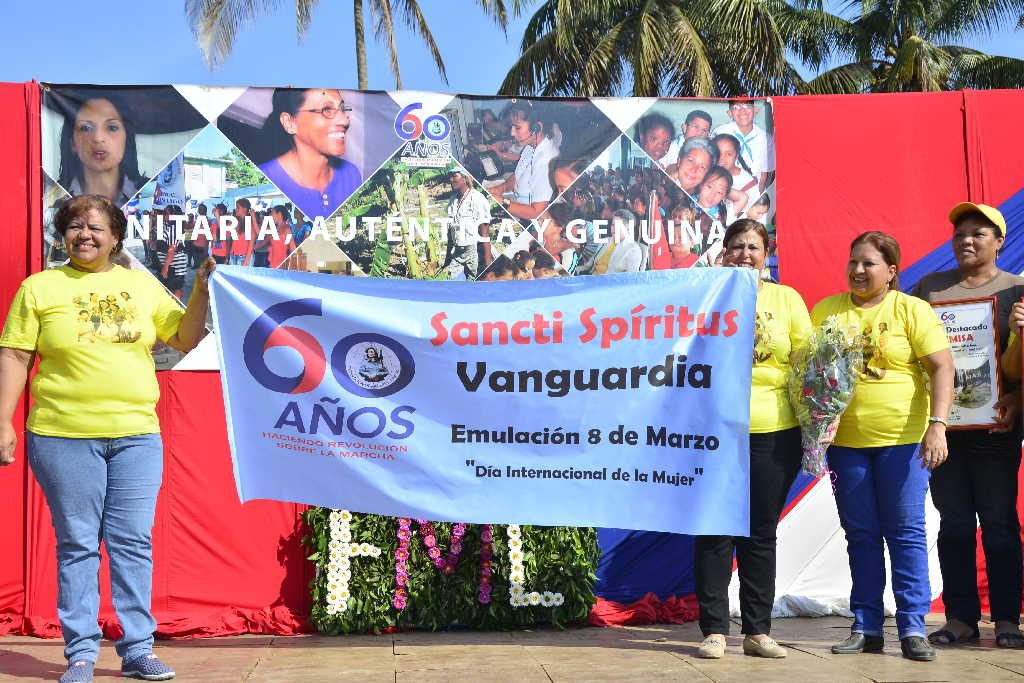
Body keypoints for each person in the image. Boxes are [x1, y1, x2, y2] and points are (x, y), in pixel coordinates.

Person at [0, 194, 215, 683]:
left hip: (137, 436)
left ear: (116, 237)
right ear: (62, 235)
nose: (85, 235)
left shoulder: (140, 285)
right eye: (75, 226)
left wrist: (199, 290)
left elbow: (183, 338)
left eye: (96, 227)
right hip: (62, 436)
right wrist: (3, 421)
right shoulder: (40, 287)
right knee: (78, 544)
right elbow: (14, 355)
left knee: (133, 542)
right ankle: (79, 653)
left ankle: (138, 648)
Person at [811, 231, 953, 662]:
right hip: (846, 446)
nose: (857, 270)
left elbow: (942, 366)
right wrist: (816, 424)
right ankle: (867, 625)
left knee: (906, 534)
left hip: (903, 443)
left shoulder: (912, 309)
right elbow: (815, 375)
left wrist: (938, 425)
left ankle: (913, 627)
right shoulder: (827, 310)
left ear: (891, 271)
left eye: (869, 263)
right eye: (853, 261)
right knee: (861, 535)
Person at [695, 219, 810, 660]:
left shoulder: (787, 299)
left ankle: (758, 631)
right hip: (713, 432)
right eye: (737, 247)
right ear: (724, 253)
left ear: (768, 252)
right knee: (714, 529)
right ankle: (714, 631)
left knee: (760, 532)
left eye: (753, 247)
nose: (745, 254)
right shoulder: (707, 294)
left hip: (774, 431)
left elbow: (807, 361)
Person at [912, 202, 1024, 649]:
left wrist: (1019, 397)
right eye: (960, 234)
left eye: (979, 233)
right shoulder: (930, 290)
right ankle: (959, 618)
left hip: (997, 427)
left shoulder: (1018, 290)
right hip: (945, 430)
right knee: (954, 524)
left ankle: (1008, 620)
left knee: (998, 525)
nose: (967, 240)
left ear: (999, 241)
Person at [258, 88, 362, 221]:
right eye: (326, 109)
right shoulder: (267, 178)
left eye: (342, 108)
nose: (344, 120)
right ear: (289, 122)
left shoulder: (351, 175)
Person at [56, 96, 145, 205]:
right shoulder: (51, 198)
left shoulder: (152, 192)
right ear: (72, 143)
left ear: (127, 139)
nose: (98, 138)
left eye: (112, 127)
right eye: (86, 128)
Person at [487, 101, 559, 221]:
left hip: (530, 222)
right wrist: (498, 189)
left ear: (537, 128)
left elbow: (536, 212)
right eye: (512, 127)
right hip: (517, 204)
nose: (512, 133)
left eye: (517, 127)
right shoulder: (530, 147)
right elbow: (518, 175)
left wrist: (502, 201)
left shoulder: (546, 160)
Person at [713, 99, 773, 191]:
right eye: (736, 107)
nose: (742, 111)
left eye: (747, 106)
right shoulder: (720, 132)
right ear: (730, 113)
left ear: (755, 110)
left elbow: (763, 174)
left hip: (752, 190)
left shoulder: (766, 138)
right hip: (722, 189)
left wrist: (757, 197)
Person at [443, 171, 490, 280]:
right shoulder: (453, 200)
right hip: (458, 251)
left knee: (473, 281)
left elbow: (485, 232)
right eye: (450, 176)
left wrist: (488, 264)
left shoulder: (477, 198)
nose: (451, 180)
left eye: (454, 176)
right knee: (453, 282)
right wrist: (448, 257)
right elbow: (451, 231)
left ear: (464, 179)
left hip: (474, 250)